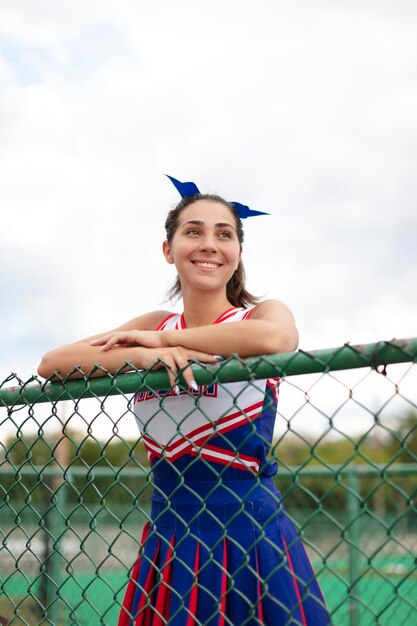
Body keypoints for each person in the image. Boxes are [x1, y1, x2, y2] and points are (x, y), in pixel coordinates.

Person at [38, 179, 330, 625]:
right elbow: (52, 363)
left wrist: (164, 339)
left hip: (249, 536)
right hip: (169, 536)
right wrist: (141, 353)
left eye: (224, 233)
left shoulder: (258, 316)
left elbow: (278, 339)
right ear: (168, 249)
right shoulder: (153, 324)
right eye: (193, 231)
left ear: (237, 254)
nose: (209, 244)